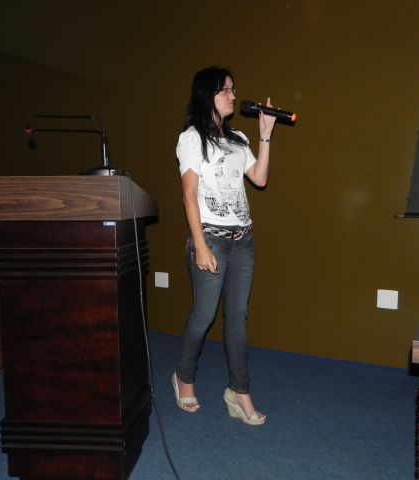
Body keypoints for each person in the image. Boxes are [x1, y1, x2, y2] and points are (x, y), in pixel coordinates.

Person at [172, 66, 276, 426]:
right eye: (226, 90)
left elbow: (259, 179)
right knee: (204, 317)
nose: (233, 95)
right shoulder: (192, 138)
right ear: (208, 94)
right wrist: (200, 246)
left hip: (243, 240)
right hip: (212, 239)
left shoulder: (239, 139)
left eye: (233, 89)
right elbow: (188, 195)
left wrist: (265, 136)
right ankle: (184, 378)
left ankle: (238, 392)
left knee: (237, 320)